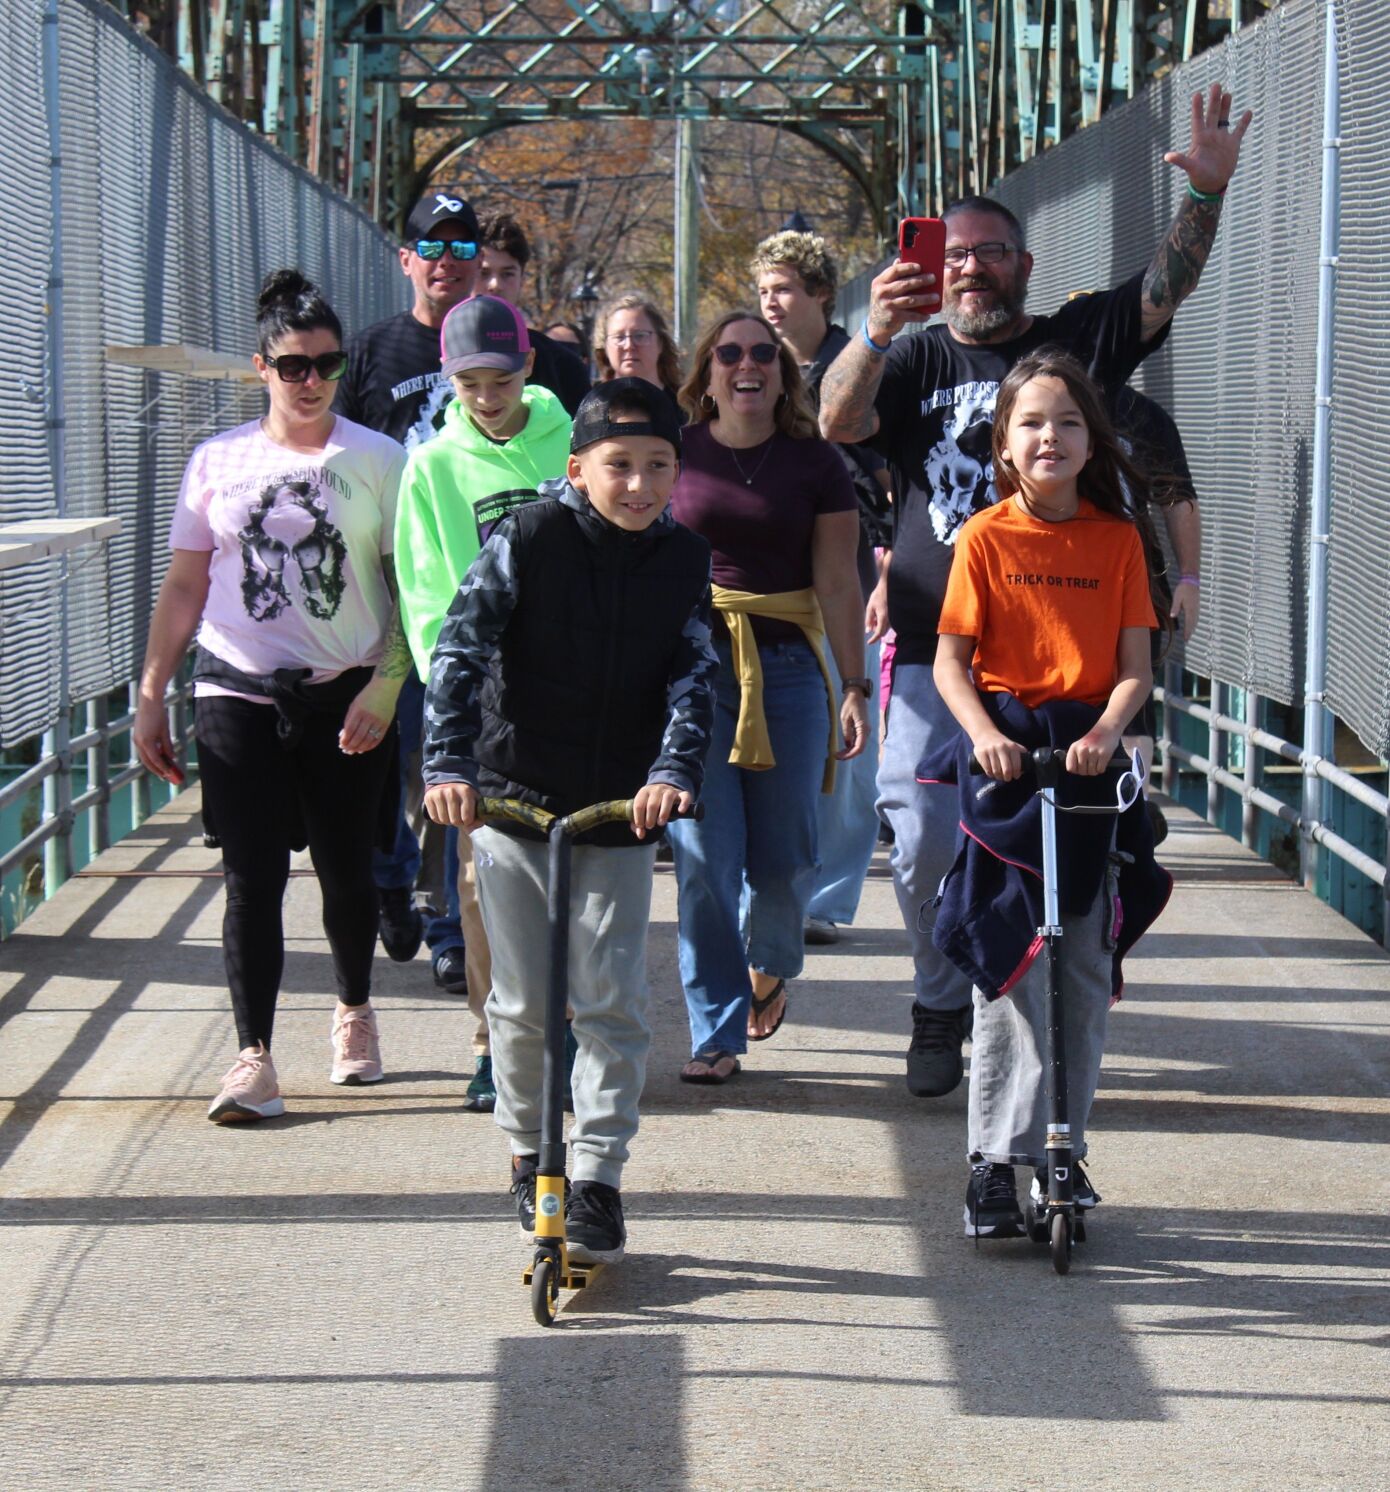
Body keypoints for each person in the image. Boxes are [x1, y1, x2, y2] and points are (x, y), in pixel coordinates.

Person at [818, 82, 1250, 1101]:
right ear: (934, 267)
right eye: (952, 252)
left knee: (1062, 854)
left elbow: (1161, 291)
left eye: (989, 250)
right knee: (923, 840)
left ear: (1023, 263)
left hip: (1061, 659)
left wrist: (1210, 196)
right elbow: (836, 423)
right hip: (936, 652)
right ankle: (938, 1000)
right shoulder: (914, 355)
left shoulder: (1070, 347)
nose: (969, 266)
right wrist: (874, 334)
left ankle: (1022, 1013)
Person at [422, 379, 717, 1264]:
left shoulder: (684, 560)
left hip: (617, 806)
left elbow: (694, 677)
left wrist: (672, 771)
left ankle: (595, 1174)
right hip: (513, 796)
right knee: (520, 1002)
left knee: (612, 1000)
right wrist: (448, 765)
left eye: (658, 466)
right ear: (577, 466)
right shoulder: (529, 537)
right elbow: (460, 648)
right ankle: (528, 1152)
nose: (639, 485)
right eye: (618, 466)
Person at [133, 270, 410, 1121]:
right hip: (236, 684)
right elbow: (185, 585)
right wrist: (150, 693)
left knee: (344, 871)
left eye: (327, 365)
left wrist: (388, 686)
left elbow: (411, 584)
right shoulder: (217, 461)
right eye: (294, 366)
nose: (312, 381)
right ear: (262, 367)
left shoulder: (379, 458)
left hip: (347, 691)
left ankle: (354, 1008)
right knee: (251, 876)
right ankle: (252, 1057)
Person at [927, 348, 1170, 1236]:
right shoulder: (985, 538)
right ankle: (995, 1159)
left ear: (1090, 439)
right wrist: (985, 736)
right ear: (1002, 443)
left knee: (1082, 964)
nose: (1049, 438)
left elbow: (1135, 669)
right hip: (1009, 761)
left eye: (1068, 422)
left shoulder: (1115, 542)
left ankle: (1064, 1146)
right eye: (1031, 422)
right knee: (1012, 963)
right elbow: (952, 664)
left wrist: (1107, 732)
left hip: (1087, 762)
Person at [667, 311, 869, 1083]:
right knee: (703, 857)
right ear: (706, 374)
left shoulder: (815, 462)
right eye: (729, 354)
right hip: (693, 673)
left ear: (783, 375)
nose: (745, 365)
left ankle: (773, 963)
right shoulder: (678, 454)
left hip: (787, 669)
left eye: (762, 355)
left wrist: (852, 685)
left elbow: (840, 581)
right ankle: (715, 1032)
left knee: (785, 859)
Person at [394, 294, 572, 1110]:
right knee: (480, 878)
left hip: (574, 687)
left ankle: (563, 1030)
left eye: (499, 378)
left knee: (574, 868)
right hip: (486, 700)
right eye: (468, 382)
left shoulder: (574, 440)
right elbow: (425, 589)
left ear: (528, 368)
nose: (486, 396)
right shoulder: (431, 465)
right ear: (448, 378)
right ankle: (493, 1039)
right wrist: (458, 690)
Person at [336, 187, 484, 979]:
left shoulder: (504, 345)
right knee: (390, 761)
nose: (447, 263)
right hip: (385, 593)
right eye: (434, 246)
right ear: (407, 259)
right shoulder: (370, 354)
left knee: (446, 758)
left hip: (470, 600)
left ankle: (451, 927)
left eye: (463, 249)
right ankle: (392, 877)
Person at [752, 228, 894, 946]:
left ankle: (830, 899)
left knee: (851, 748)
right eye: (764, 290)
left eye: (783, 289)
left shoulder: (867, 361)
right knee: (776, 746)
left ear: (819, 294)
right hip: (775, 579)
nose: (770, 303)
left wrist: (892, 563)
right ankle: (776, 883)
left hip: (857, 575)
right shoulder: (754, 367)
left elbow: (898, 472)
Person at [1111, 382, 1203, 845]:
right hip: (1049, 577)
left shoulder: (1138, 413)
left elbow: (1176, 496)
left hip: (1135, 581)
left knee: (1135, 703)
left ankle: (1132, 818)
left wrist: (1189, 579)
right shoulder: (1025, 395)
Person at [476, 211, 591, 415]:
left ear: (523, 278)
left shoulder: (563, 367)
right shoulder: (429, 352)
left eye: (507, 274)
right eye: (483, 273)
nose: (495, 285)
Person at [593, 294, 685, 410]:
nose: (629, 345)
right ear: (605, 346)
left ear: (661, 343)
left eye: (640, 335)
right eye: (619, 337)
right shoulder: (591, 407)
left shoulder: (686, 408)